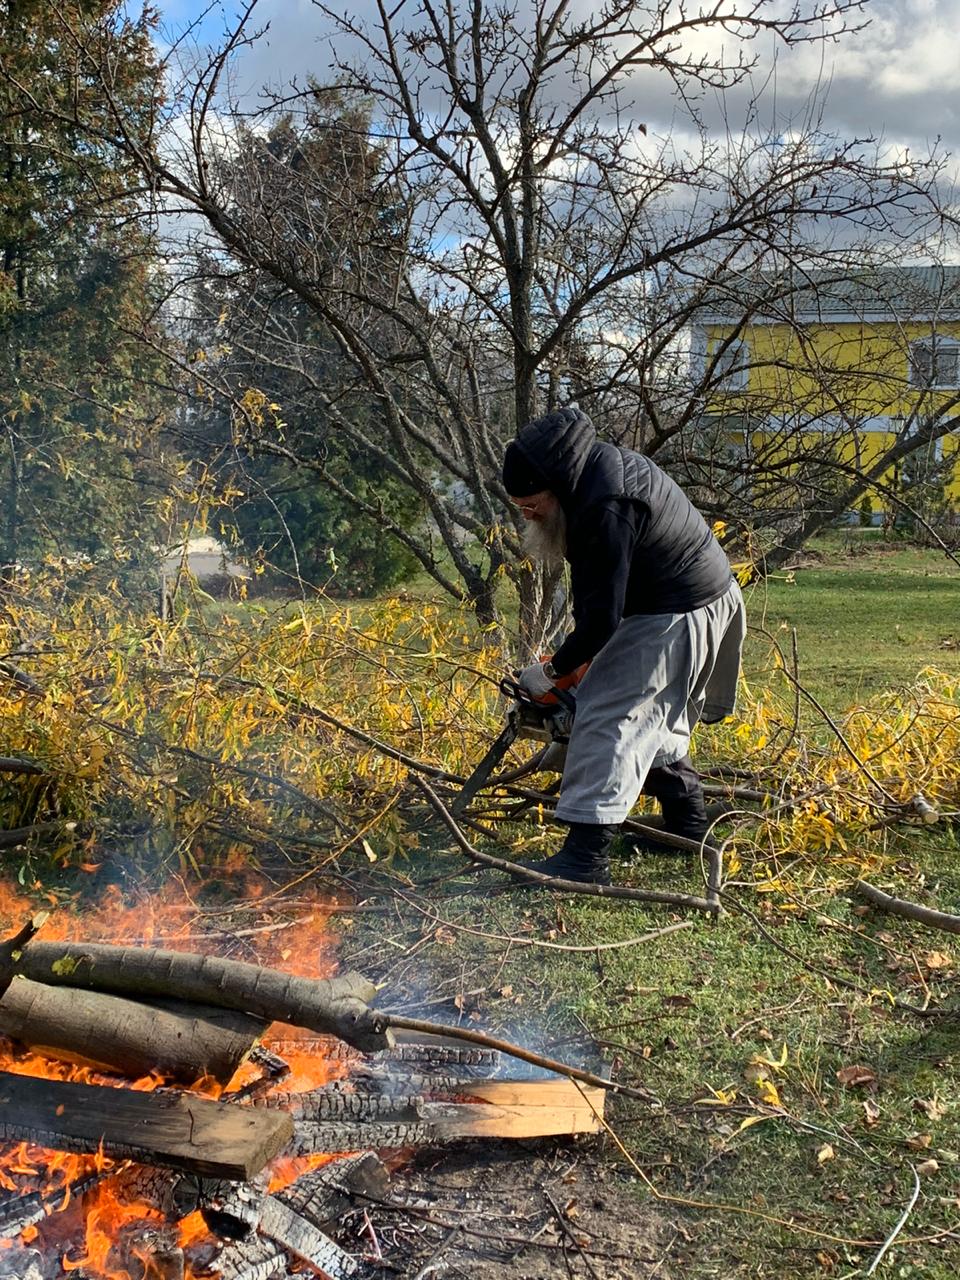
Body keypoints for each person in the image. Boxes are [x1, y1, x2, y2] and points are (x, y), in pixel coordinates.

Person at [502, 405, 745, 885]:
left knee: (609, 716)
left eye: (532, 506)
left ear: (557, 486)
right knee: (651, 716)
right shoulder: (591, 478)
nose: (528, 516)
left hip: (681, 609)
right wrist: (572, 663)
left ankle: (585, 860)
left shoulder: (606, 504)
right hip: (685, 601)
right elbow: (595, 600)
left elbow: (601, 620)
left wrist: (551, 673)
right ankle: (687, 826)